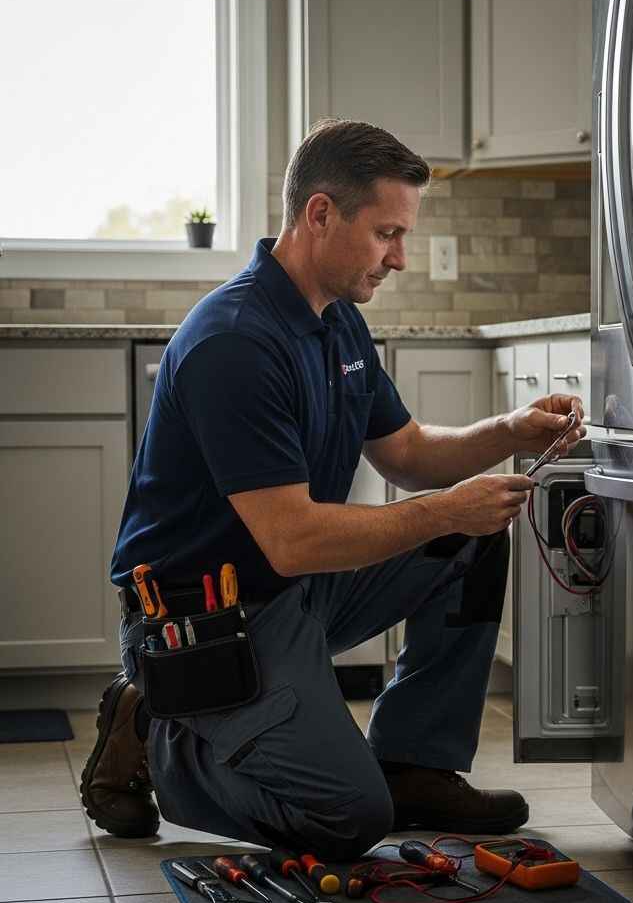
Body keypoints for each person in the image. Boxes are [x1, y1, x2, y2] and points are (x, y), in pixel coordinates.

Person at [79, 119, 585, 859]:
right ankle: (156, 731)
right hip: (207, 620)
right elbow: (293, 539)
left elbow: (408, 453)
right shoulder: (237, 342)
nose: (401, 258)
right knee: (346, 818)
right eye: (387, 233)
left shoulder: (338, 321)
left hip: (294, 592)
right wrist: (447, 506)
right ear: (320, 214)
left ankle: (414, 763)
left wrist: (510, 429)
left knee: (467, 542)